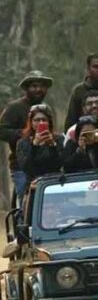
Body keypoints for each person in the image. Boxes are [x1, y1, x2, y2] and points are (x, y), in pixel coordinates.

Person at [0, 70, 54, 201]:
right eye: (34, 86)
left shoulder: (46, 108)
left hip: (45, 165)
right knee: (26, 202)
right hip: (21, 166)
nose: (38, 90)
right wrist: (25, 135)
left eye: (42, 86)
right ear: (27, 88)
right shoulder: (15, 107)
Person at [16, 104, 65, 190]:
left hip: (55, 183)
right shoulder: (23, 142)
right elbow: (26, 167)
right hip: (34, 186)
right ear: (31, 122)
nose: (41, 123)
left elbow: (61, 163)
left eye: (44, 120)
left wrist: (52, 146)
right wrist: (34, 145)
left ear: (49, 122)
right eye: (37, 120)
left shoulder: (59, 139)